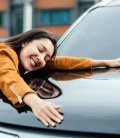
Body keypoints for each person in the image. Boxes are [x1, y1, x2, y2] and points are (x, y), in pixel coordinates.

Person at [0, 28, 120, 127]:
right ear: (25, 42)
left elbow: (62, 62)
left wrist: (107, 63)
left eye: (46, 58)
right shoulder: (3, 52)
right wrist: (35, 102)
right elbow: (8, 76)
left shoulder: (26, 60)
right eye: (40, 49)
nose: (40, 58)